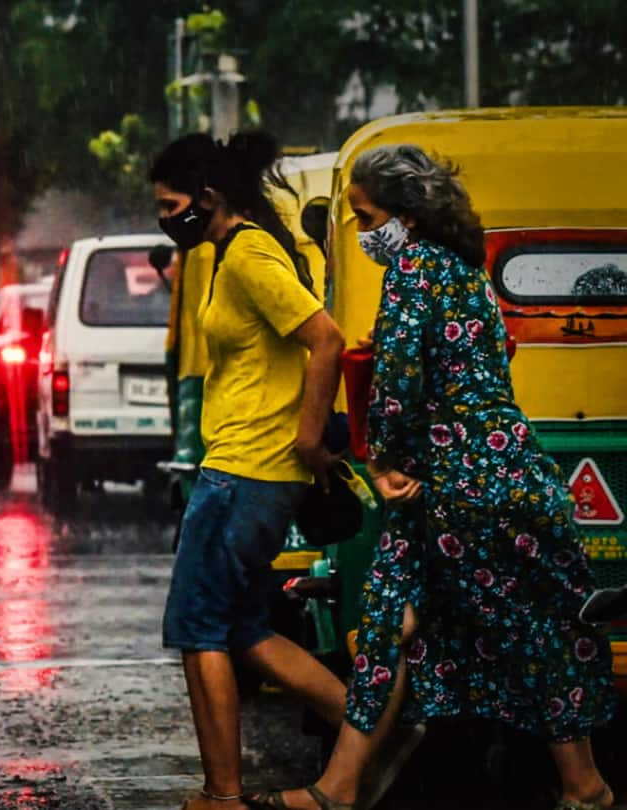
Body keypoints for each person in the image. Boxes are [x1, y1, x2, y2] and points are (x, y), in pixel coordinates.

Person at [251, 146, 615, 810]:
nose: (364, 233)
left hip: (464, 485)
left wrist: (382, 462)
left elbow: (397, 380)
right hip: (495, 470)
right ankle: (338, 786)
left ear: (406, 215)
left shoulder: (414, 268)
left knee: (527, 628)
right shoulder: (465, 271)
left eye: (366, 217)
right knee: (400, 618)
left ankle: (584, 785)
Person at [150, 131, 349, 810]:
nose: (164, 219)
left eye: (169, 204)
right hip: (248, 469)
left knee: (197, 627)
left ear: (207, 197)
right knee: (244, 630)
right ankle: (370, 727)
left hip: (244, 470)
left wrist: (308, 438)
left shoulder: (247, 256)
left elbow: (325, 339)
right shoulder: (237, 252)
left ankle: (224, 793)